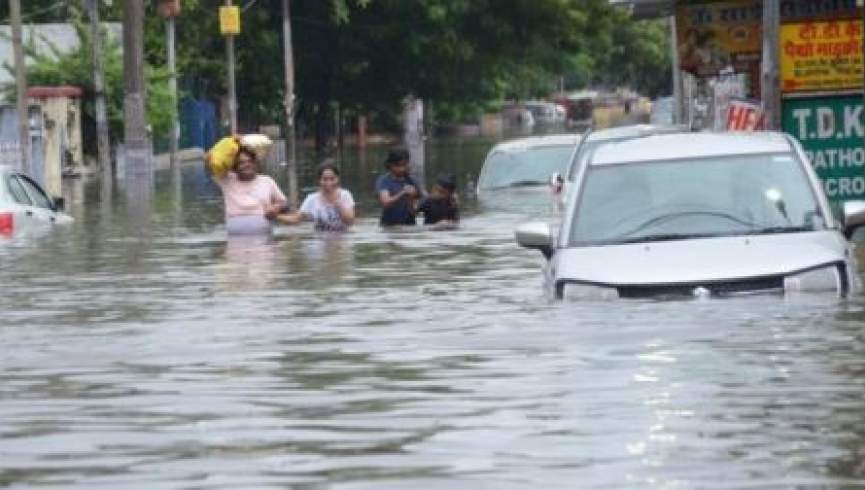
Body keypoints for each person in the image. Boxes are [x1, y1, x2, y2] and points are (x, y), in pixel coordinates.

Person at [206, 146, 287, 235]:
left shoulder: (266, 181)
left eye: (250, 161)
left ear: (255, 163)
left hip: (263, 237)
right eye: (241, 163)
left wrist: (274, 208)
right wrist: (234, 143)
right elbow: (209, 160)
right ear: (235, 167)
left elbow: (282, 202)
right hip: (235, 240)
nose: (247, 165)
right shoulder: (226, 179)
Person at [276, 161, 355, 232]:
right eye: (325, 179)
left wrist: (340, 206)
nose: (328, 183)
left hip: (341, 241)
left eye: (332, 179)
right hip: (319, 242)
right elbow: (296, 219)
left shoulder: (345, 195)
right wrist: (275, 216)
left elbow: (350, 222)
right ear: (319, 180)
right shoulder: (312, 199)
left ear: (337, 179)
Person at [376, 147, 421, 226]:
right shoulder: (384, 181)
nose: (401, 169)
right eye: (398, 165)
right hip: (388, 225)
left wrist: (411, 197)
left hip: (409, 225)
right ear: (390, 164)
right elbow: (385, 202)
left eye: (404, 165)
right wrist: (403, 193)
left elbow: (414, 211)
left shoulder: (412, 180)